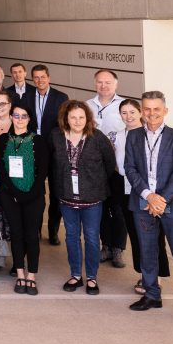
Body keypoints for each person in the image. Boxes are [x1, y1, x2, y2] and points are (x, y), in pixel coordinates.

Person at [125, 91, 173, 324]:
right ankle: (152, 295)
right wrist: (148, 195)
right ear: (142, 111)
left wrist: (161, 199)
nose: (151, 113)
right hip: (143, 203)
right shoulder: (134, 136)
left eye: (156, 109)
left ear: (165, 110)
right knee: (147, 253)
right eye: (147, 109)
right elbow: (130, 168)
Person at [50, 100, 117, 296]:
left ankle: (92, 277)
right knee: (71, 237)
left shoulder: (97, 138)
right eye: (73, 117)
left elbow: (109, 163)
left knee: (91, 238)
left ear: (87, 118)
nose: (77, 121)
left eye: (81, 117)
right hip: (67, 197)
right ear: (66, 119)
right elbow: (52, 164)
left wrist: (93, 182)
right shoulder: (56, 136)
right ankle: (76, 275)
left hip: (92, 199)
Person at [112, 99, 170, 294]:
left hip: (147, 190)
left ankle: (157, 277)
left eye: (132, 112)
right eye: (124, 113)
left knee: (154, 235)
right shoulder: (119, 136)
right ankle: (143, 275)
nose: (128, 116)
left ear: (140, 113)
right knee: (136, 235)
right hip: (125, 189)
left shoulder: (149, 135)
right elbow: (119, 164)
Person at [0, 105, 50, 296]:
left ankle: (31, 275)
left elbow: (43, 170)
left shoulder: (39, 141)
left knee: (32, 235)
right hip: (10, 195)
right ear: (11, 117)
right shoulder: (2, 140)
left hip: (34, 196)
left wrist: (29, 192)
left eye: (23, 116)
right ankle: (19, 273)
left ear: (29, 119)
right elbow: (0, 169)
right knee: (16, 234)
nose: (19, 119)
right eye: (16, 115)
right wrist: (13, 191)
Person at [87, 69, 127, 267]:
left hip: (117, 167)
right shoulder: (87, 106)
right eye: (100, 82)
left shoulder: (123, 106)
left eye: (108, 82)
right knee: (100, 208)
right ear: (95, 83)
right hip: (94, 167)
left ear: (116, 84)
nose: (103, 85)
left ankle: (118, 248)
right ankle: (106, 246)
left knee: (118, 208)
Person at [28, 64, 69, 245]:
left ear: (49, 77)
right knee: (35, 191)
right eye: (36, 77)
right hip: (32, 150)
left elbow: (63, 125)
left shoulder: (61, 98)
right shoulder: (26, 97)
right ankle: (35, 229)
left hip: (54, 151)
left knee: (56, 193)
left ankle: (53, 230)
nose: (39, 80)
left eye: (42, 77)